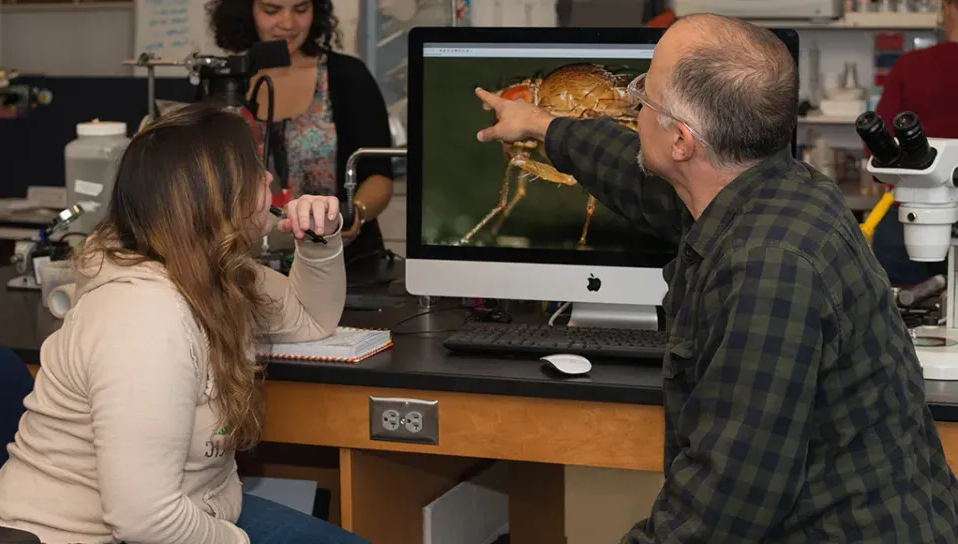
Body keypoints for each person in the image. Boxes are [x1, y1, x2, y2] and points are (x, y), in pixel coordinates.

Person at [476, 13, 958, 543]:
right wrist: (541, 125)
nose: (633, 107)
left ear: (681, 141)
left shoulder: (767, 268)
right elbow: (634, 175)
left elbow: (718, 512)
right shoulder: (774, 187)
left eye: (644, 96)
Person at [0, 104, 368, 544]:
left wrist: (319, 241)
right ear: (216, 196)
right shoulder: (143, 318)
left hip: (194, 511)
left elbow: (310, 319)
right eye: (254, 168)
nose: (268, 179)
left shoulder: (213, 275)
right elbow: (144, 520)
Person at [209, 0, 396, 267]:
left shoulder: (348, 76)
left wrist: (354, 214)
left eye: (300, 9)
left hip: (341, 264)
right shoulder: (223, 81)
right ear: (245, 10)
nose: (288, 23)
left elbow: (379, 175)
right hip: (242, 268)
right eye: (271, 10)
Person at [869, 0, 958, 286]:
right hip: (909, 216)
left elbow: (876, 145)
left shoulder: (911, 65)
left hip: (907, 215)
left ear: (947, 8)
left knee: (896, 318)